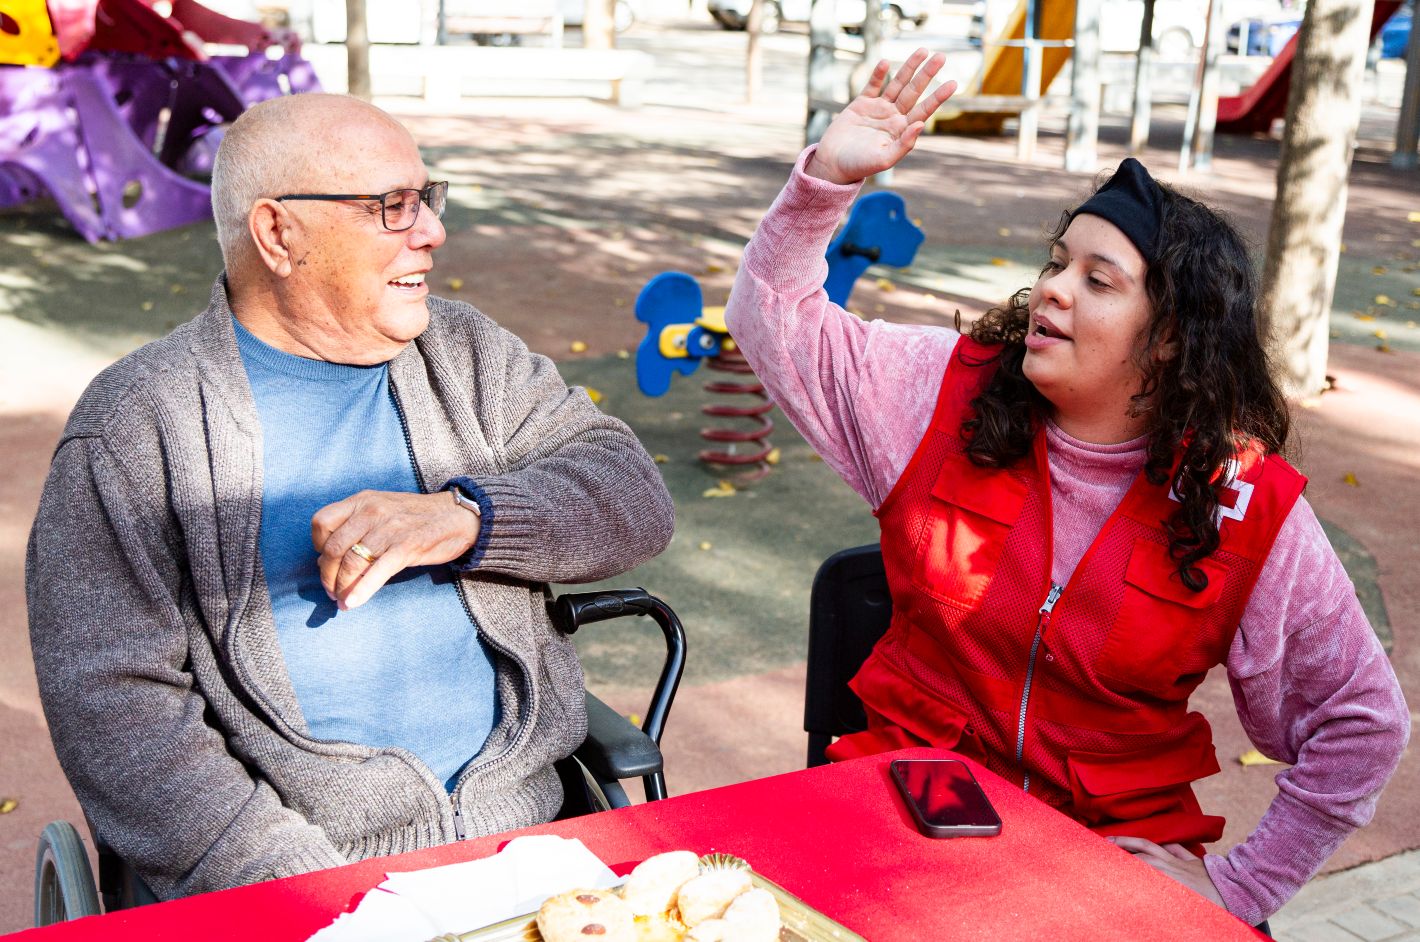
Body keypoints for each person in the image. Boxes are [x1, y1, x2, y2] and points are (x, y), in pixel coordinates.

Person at [724, 51, 1408, 927]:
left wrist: (1245, 887)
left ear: (1169, 340)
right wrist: (824, 182)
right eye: (1057, 263)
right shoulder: (939, 393)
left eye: (1097, 280)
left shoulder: (1243, 505)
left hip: (1107, 855)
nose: (1051, 288)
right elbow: (770, 318)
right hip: (903, 816)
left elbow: (1362, 723)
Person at [26, 93, 674, 900]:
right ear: (277, 235)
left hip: (529, 847)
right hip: (294, 878)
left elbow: (632, 492)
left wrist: (465, 518)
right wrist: (305, 889)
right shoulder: (137, 429)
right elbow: (116, 712)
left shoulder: (465, 353)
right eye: (390, 207)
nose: (432, 232)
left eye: (426, 200)